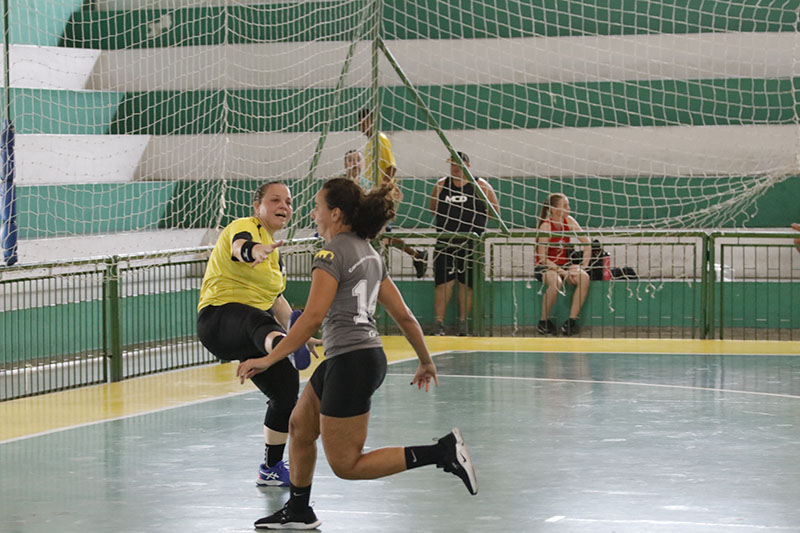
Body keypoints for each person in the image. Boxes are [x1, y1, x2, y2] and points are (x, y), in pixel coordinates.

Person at [237, 177, 478, 529]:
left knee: (347, 464)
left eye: (317, 207)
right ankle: (299, 510)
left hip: (351, 361)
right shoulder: (370, 254)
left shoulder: (330, 254)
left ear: (335, 214)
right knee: (300, 426)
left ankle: (442, 452)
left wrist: (268, 359)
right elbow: (404, 316)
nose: (313, 214)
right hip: (358, 357)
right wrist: (425, 360)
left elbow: (312, 318)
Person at [196, 181, 318, 488]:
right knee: (256, 319)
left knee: (285, 390)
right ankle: (282, 344)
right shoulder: (245, 226)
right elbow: (240, 247)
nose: (284, 206)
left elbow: (278, 301)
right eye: (275, 200)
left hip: (252, 334)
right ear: (257, 206)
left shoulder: (275, 255)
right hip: (219, 318)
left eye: (288, 202)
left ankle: (271, 468)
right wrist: (253, 251)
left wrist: (300, 333)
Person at [429, 151, 499, 336]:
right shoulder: (441, 185)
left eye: (459, 164)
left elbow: (494, 212)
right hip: (445, 242)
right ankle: (439, 323)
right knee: (443, 283)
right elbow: (433, 209)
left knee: (466, 283)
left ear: (467, 166)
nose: (455, 168)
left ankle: (463, 323)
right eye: (452, 164)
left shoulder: (481, 186)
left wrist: (476, 223)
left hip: (471, 244)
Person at [358, 107, 428, 278]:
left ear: (372, 121)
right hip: (373, 195)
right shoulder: (369, 144)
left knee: (378, 234)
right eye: (360, 123)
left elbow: (391, 167)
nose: (362, 126)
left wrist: (383, 191)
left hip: (381, 197)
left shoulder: (380, 139)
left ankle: (382, 267)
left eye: (365, 122)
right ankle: (416, 255)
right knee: (381, 234)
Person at [535, 193, 591, 336]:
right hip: (546, 266)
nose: (569, 208)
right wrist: (562, 271)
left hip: (563, 265)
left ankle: (571, 321)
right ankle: (543, 321)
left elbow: (587, 243)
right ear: (554, 209)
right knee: (556, 282)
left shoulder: (569, 221)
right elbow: (542, 258)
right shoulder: (546, 227)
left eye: (568, 205)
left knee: (584, 277)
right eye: (565, 206)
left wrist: (582, 266)